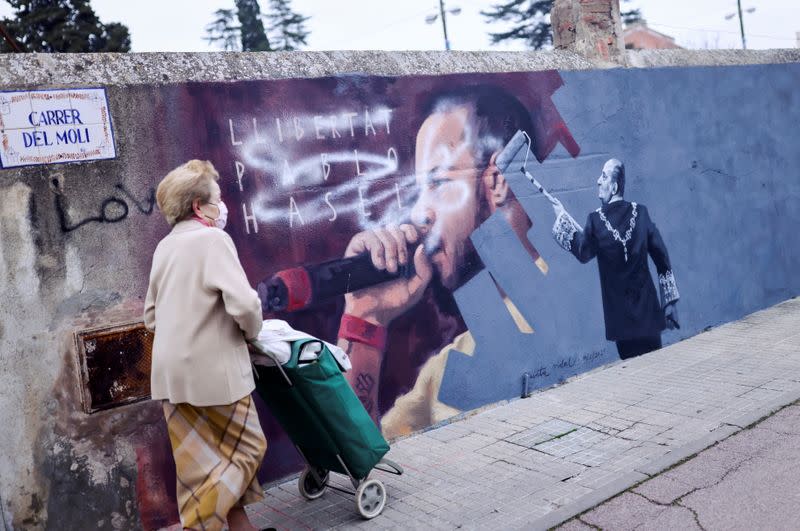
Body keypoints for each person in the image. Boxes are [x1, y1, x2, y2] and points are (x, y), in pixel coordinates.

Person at [336, 86, 542, 438]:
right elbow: (361, 451)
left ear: (497, 181)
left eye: (437, 182)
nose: (419, 213)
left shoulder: (579, 296)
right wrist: (365, 316)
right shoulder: (445, 369)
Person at [144, 160, 271, 531]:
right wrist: (251, 333)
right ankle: (197, 524)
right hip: (216, 375)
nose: (223, 205)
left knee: (202, 468)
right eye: (217, 198)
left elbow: (151, 317)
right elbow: (245, 304)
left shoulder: (165, 248)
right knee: (248, 450)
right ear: (199, 206)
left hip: (170, 377)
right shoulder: (212, 239)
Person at [550, 158, 680, 360]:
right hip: (649, 318)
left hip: (623, 324)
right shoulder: (641, 213)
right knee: (655, 374)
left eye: (603, 176)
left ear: (614, 186)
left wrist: (561, 218)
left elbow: (583, 252)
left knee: (633, 377)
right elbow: (661, 256)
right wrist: (669, 303)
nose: (598, 181)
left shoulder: (595, 221)